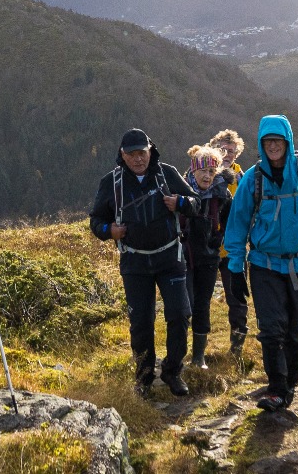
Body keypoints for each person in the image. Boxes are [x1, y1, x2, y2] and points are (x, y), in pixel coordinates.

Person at [222, 115, 298, 411]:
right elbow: (236, 226)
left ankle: (290, 386)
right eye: (267, 141)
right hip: (264, 265)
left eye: (278, 141)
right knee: (271, 330)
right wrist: (235, 268)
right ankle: (277, 389)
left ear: (287, 142)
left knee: (296, 331)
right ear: (261, 144)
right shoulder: (253, 178)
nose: (273, 146)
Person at [90, 129, 200, 397]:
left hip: (170, 258)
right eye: (132, 154)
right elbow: (95, 222)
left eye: (143, 153)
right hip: (134, 262)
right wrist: (109, 231)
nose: (139, 159)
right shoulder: (112, 182)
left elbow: (196, 204)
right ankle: (144, 377)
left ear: (151, 151)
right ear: (123, 155)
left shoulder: (167, 174)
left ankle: (173, 371)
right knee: (140, 321)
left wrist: (181, 202)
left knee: (179, 314)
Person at [180, 145, 233, 369]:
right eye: (203, 170)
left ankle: (198, 357)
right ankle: (178, 354)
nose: (207, 175)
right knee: (185, 305)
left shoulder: (221, 195)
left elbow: (230, 221)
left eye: (212, 171)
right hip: (184, 258)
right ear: (193, 171)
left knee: (202, 305)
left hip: (209, 259)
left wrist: (219, 237)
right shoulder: (180, 192)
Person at [205, 129, 252, 356]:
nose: (227, 154)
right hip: (205, 248)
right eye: (222, 149)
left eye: (231, 151)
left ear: (237, 154)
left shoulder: (244, 179)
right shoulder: (201, 172)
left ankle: (237, 346)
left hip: (234, 250)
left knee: (237, 299)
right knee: (200, 298)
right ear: (214, 148)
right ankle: (199, 346)